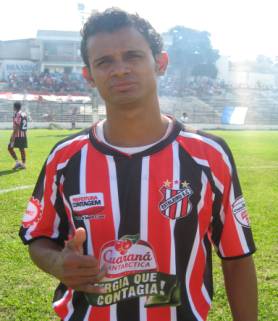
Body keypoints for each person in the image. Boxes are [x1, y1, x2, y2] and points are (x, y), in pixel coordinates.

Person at [19, 8, 257, 321]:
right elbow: (39, 236)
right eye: (104, 61)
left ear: (160, 63)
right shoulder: (65, 158)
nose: (120, 70)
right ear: (88, 75)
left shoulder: (209, 155)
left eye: (132, 56)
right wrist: (55, 263)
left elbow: (237, 258)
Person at [8, 101, 28, 169]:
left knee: (10, 148)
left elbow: (17, 126)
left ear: (15, 107)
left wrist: (13, 136)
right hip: (23, 134)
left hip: (17, 135)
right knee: (21, 149)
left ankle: (17, 162)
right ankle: (23, 164)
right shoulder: (24, 113)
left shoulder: (17, 114)